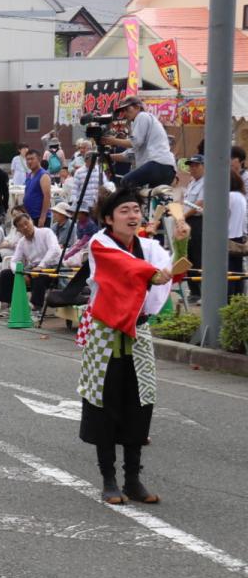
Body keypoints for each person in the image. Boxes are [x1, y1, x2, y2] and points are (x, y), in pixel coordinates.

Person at [78, 188, 174, 504]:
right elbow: (124, 267)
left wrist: (183, 239)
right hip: (105, 336)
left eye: (136, 209)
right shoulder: (99, 244)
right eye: (124, 210)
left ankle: (133, 479)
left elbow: (172, 268)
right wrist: (152, 274)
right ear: (108, 218)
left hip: (138, 333)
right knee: (104, 406)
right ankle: (108, 478)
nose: (133, 215)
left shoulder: (148, 246)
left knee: (140, 404)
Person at [102, 95, 176, 190]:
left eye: (126, 109)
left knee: (126, 182)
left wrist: (112, 140)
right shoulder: (146, 121)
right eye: (122, 111)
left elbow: (135, 142)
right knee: (151, 200)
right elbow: (130, 155)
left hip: (157, 164)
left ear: (137, 107)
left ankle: (131, 204)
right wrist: (108, 157)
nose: (124, 114)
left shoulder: (142, 116)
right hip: (167, 167)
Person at [0, 213, 62, 312]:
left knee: (37, 275)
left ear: (31, 221)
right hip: (32, 269)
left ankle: (36, 309)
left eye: (26, 223)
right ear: (18, 230)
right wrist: (20, 273)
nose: (25, 227)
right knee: (6, 274)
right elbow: (14, 261)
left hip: (52, 268)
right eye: (21, 226)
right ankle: (8, 306)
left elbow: (55, 249)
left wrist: (41, 266)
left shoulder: (46, 232)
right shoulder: (22, 242)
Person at [182, 155, 206, 300]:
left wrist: (182, 216)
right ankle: (194, 292)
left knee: (197, 256)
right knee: (187, 255)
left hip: (197, 221)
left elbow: (199, 205)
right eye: (191, 165)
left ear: (204, 166)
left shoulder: (206, 182)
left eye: (196, 165)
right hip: (187, 220)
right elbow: (185, 201)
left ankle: (201, 292)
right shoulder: (192, 182)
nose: (193, 168)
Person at [20, 149, 52, 227]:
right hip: (30, 216)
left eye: (32, 159)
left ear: (38, 159)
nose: (29, 161)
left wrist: (43, 217)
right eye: (27, 159)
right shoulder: (29, 175)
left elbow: (47, 196)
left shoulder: (43, 175)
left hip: (40, 216)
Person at [229, 171, 247, 298]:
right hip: (239, 237)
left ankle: (227, 300)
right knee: (238, 272)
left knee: (227, 274)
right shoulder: (241, 196)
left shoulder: (228, 196)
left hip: (226, 238)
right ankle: (238, 299)